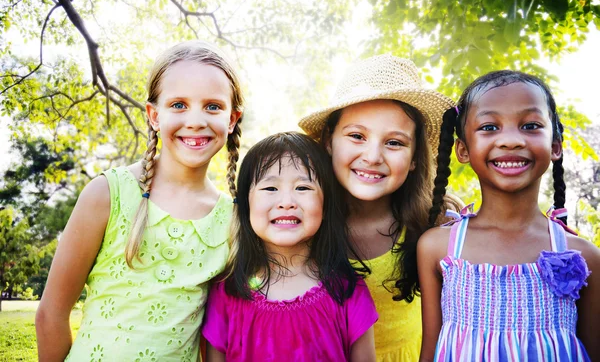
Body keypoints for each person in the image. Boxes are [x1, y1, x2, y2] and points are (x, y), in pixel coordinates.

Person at [35, 40, 244, 361]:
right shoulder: (107, 194)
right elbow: (51, 314)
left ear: (232, 119)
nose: (196, 120)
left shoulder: (232, 221)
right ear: (153, 115)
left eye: (213, 106)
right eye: (178, 105)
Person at [418, 70, 600, 361]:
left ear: (555, 146)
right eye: (490, 127)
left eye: (530, 125)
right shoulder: (437, 247)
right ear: (463, 150)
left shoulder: (583, 255)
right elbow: (431, 351)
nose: (511, 140)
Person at [298, 54, 456, 361]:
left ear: (414, 158)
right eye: (357, 136)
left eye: (394, 143)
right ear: (329, 142)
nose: (372, 156)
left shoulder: (436, 224)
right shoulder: (298, 219)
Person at [202, 132, 378, 361]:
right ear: (246, 204)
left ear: (326, 206)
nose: (287, 202)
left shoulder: (348, 291)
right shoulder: (227, 293)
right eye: (270, 189)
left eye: (303, 188)